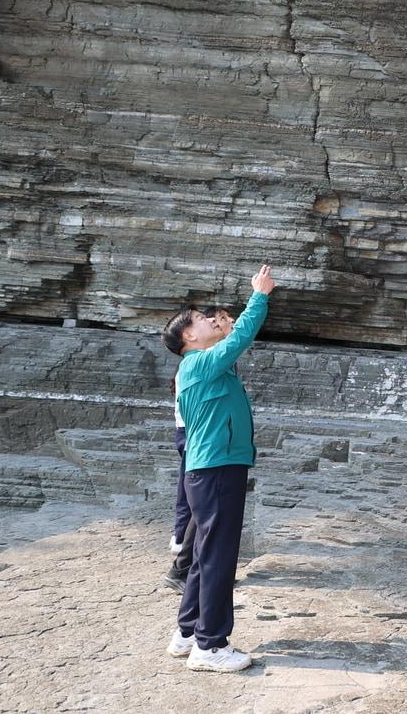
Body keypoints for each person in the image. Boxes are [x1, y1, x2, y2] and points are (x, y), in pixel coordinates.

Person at [159, 266, 275, 673]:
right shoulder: (198, 364)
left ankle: (188, 632)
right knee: (219, 560)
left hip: (211, 469)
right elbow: (241, 337)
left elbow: (232, 342)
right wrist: (259, 296)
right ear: (188, 336)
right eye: (201, 319)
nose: (211, 320)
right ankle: (210, 647)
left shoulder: (206, 366)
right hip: (216, 469)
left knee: (208, 555)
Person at [163, 306, 234, 593]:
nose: (225, 324)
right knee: (198, 506)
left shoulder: (207, 357)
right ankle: (182, 565)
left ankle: (189, 567)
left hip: (208, 441)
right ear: (189, 334)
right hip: (197, 439)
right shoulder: (198, 362)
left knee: (203, 508)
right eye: (215, 319)